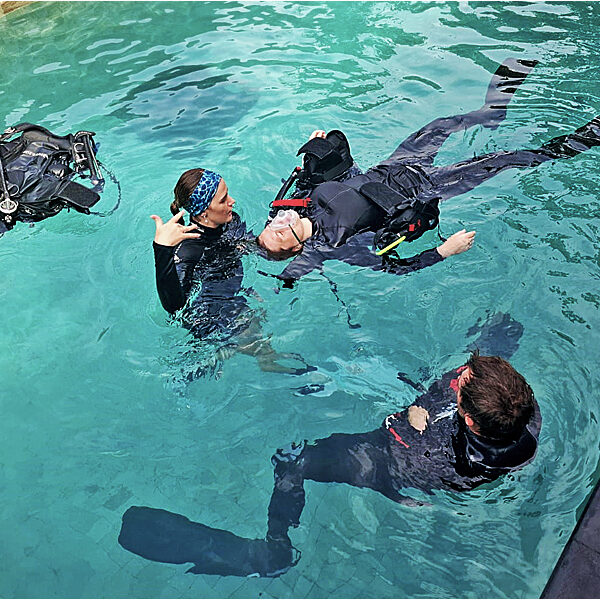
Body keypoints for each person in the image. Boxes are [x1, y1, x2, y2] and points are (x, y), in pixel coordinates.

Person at [118, 313, 541, 577]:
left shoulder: (430, 449)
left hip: (391, 462)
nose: (462, 372)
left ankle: (274, 550)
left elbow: (402, 456)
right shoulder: (521, 410)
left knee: (292, 460)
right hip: (430, 450)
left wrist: (412, 418)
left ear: (467, 417)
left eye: (464, 380)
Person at [257, 58, 600, 285]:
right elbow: (395, 267)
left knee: (440, 125)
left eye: (273, 225)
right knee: (504, 159)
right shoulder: (337, 246)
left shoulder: (297, 203)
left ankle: (490, 112)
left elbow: (337, 176)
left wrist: (317, 150)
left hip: (394, 165)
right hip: (425, 187)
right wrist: (443, 251)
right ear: (296, 248)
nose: (280, 223)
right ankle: (585, 139)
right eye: (281, 233)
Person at [152, 168, 314, 376]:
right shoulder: (187, 249)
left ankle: (238, 350)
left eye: (228, 193)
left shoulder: (230, 220)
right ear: (204, 213)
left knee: (256, 322)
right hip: (208, 310)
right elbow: (174, 307)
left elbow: (250, 248)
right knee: (251, 331)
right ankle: (231, 353)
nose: (232, 201)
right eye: (223, 199)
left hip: (231, 292)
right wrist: (162, 249)